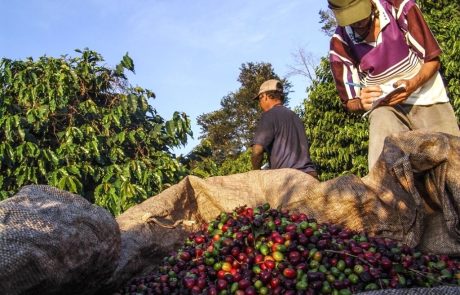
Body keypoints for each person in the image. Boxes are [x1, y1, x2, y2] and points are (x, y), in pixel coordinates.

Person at [328, 0, 460, 169]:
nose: (357, 21)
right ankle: (383, 191)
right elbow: (349, 101)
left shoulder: (400, 8)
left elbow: (432, 61)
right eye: (350, 17)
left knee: (454, 163)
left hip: (426, 95)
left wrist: (412, 84)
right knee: (382, 158)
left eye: (359, 13)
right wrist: (361, 102)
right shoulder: (340, 43)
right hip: (387, 107)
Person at [251, 79, 318, 179]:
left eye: (259, 100)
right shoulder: (296, 117)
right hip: (310, 176)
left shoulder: (269, 115)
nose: (260, 104)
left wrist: (256, 175)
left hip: (288, 180)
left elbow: (257, 151)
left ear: (264, 96)